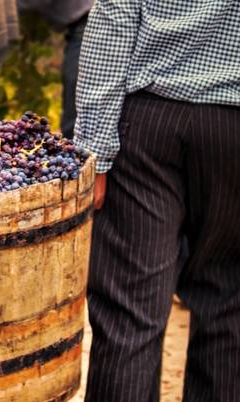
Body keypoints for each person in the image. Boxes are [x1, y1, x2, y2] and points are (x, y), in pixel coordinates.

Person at [75, 1, 240, 401]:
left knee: (129, 311)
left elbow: (115, 16)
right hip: (232, 128)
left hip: (149, 126)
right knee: (229, 304)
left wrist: (94, 148)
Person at [18, 0, 93, 139]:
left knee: (76, 102)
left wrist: (3, 11)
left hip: (87, 23)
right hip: (82, 23)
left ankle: (75, 152)